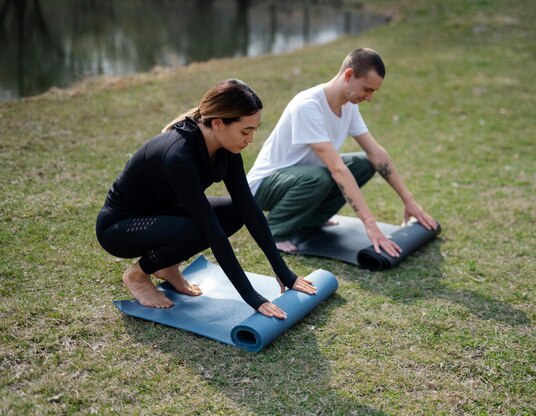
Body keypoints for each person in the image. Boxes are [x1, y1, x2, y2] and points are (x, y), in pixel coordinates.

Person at [96, 78, 316, 318]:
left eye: (254, 130)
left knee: (234, 213)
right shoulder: (178, 155)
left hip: (162, 213)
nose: (250, 139)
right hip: (120, 227)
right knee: (197, 229)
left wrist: (284, 273)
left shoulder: (227, 149)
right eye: (246, 130)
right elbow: (210, 229)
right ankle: (137, 275)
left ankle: (167, 267)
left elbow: (249, 208)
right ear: (219, 123)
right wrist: (252, 297)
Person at [247, 48, 438, 255]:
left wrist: (409, 201)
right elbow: (337, 169)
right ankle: (275, 231)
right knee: (320, 177)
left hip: (303, 178)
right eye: (367, 89)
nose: (369, 98)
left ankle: (311, 220)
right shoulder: (308, 106)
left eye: (373, 91)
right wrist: (370, 223)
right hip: (263, 187)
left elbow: (377, 155)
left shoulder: (349, 106)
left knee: (365, 163)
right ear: (348, 75)